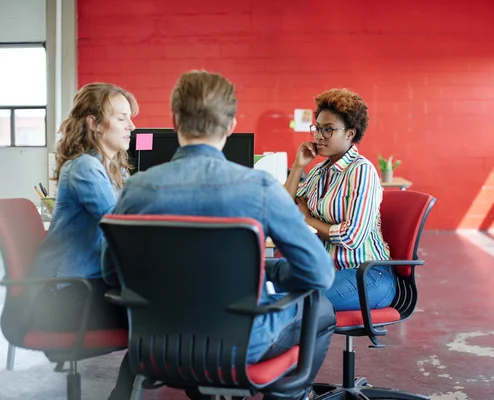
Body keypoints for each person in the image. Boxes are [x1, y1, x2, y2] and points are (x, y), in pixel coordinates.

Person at [105, 70, 336, 400]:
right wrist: (268, 271)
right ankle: (287, 395)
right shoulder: (261, 188)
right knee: (323, 308)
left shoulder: (135, 190)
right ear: (230, 126)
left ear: (175, 121)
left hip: (156, 341)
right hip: (242, 344)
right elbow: (319, 273)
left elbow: (112, 272)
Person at [29, 83, 138, 400]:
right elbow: (122, 226)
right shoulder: (85, 167)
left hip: (85, 288)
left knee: (163, 315)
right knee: (160, 317)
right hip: (66, 298)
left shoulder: (109, 168)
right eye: (121, 118)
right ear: (93, 123)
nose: (131, 126)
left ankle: (123, 393)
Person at [284, 88, 396, 311]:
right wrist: (298, 166)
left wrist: (306, 219)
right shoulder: (319, 171)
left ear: (350, 134)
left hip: (368, 276)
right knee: (265, 287)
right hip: (329, 271)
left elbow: (351, 236)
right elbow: (285, 209)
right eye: (317, 128)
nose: (318, 136)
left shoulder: (361, 171)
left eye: (328, 130)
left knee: (298, 304)